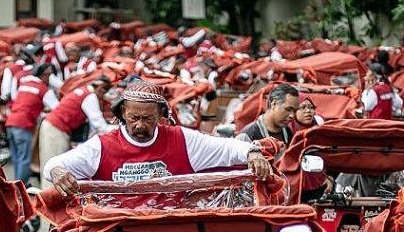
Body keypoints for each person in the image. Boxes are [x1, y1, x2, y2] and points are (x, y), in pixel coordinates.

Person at [46, 80, 270, 190]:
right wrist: (56, 171)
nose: (140, 126)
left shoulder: (181, 138)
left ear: (161, 114)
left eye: (148, 119)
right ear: (123, 112)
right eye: (134, 118)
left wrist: (252, 152)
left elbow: (227, 148)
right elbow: (54, 165)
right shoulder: (101, 146)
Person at [39, 75, 112, 165]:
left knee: (49, 162)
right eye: (104, 92)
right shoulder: (90, 96)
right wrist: (115, 129)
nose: (102, 97)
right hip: (57, 129)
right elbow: (99, 124)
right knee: (55, 167)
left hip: (51, 125)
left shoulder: (82, 90)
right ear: (100, 88)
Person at [4, 63, 58, 184]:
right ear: (43, 75)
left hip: (10, 122)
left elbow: (25, 104)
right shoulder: (43, 89)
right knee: (24, 159)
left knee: (17, 158)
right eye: (48, 75)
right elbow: (57, 108)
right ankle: (20, 187)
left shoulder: (24, 85)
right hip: (23, 125)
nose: (49, 79)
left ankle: (15, 185)